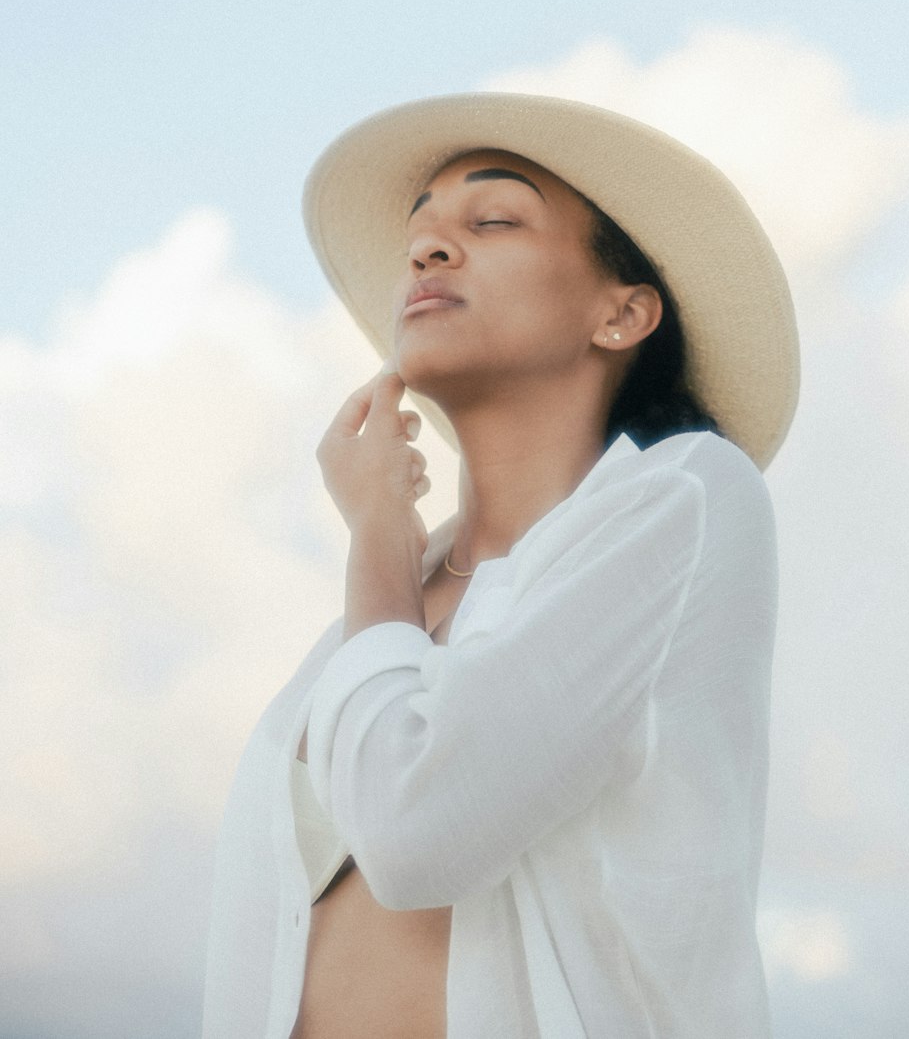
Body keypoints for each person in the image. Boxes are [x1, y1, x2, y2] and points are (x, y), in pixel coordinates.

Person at [201, 91, 799, 1039]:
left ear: (624, 312)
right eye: (420, 229)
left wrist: (375, 536)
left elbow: (415, 833)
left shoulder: (684, 498)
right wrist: (392, 548)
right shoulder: (375, 611)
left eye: (493, 218)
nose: (428, 249)